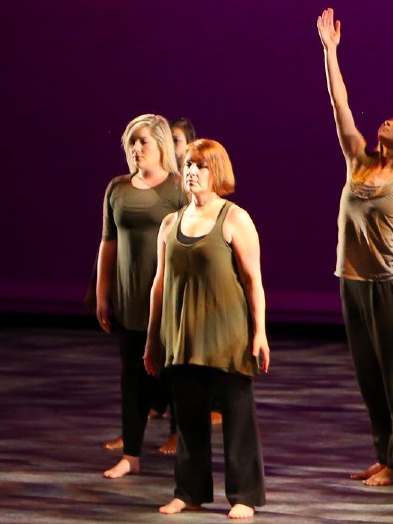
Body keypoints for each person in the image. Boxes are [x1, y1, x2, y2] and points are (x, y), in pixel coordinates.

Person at [316, 8, 393, 486]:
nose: (390, 121)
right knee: (369, 380)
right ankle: (384, 454)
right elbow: (339, 105)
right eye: (392, 118)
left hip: (392, 289)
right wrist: (331, 52)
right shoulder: (358, 162)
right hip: (352, 285)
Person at [145, 139, 269, 519]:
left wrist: (259, 332)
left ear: (217, 172)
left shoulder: (235, 218)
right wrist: (153, 339)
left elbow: (253, 281)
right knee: (188, 419)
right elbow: (160, 283)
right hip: (184, 337)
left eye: (201, 166)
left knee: (237, 418)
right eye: (188, 165)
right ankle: (190, 491)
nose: (192, 172)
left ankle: (244, 495)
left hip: (228, 335)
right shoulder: (171, 223)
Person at [97, 114, 189, 478]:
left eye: (144, 142)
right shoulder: (117, 189)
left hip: (169, 299)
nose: (137, 148)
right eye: (132, 142)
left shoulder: (178, 189)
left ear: (161, 146)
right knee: (132, 376)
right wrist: (103, 293)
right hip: (130, 297)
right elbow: (108, 243)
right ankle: (131, 454)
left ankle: (182, 442)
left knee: (174, 375)